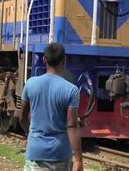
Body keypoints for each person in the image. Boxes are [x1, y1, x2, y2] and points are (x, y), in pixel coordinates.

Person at [20, 43, 83, 171]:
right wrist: (78, 159)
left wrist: (29, 134)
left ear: (44, 60)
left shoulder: (30, 84)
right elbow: (71, 126)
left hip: (35, 153)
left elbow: (22, 117)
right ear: (64, 60)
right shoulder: (71, 90)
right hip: (60, 154)